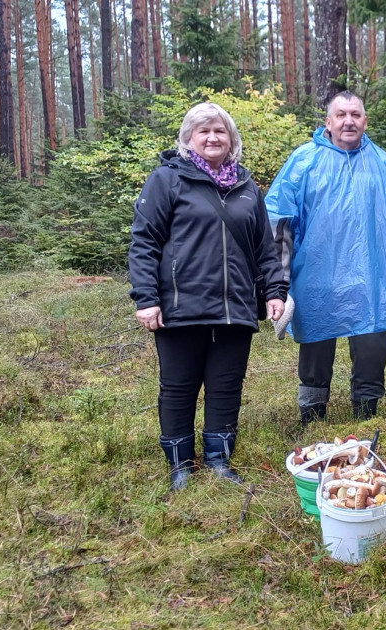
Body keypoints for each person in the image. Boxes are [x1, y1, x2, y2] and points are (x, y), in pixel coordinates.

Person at [128, 102, 287, 490]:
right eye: (204, 131)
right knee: (179, 385)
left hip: (235, 309)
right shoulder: (167, 180)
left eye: (220, 131)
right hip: (181, 307)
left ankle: (218, 458)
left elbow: (264, 247)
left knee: (226, 384)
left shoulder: (247, 187)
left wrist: (274, 291)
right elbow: (144, 242)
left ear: (231, 139)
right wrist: (146, 297)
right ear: (188, 138)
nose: (213, 138)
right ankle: (180, 464)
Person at [266, 91, 386, 423]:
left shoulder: (384, 165)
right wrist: (278, 282)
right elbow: (280, 222)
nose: (348, 121)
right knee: (315, 342)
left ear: (365, 121)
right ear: (328, 121)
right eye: (341, 114)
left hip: (371, 276)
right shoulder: (304, 162)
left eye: (355, 114)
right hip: (316, 273)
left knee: (371, 343)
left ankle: (367, 411)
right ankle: (312, 414)